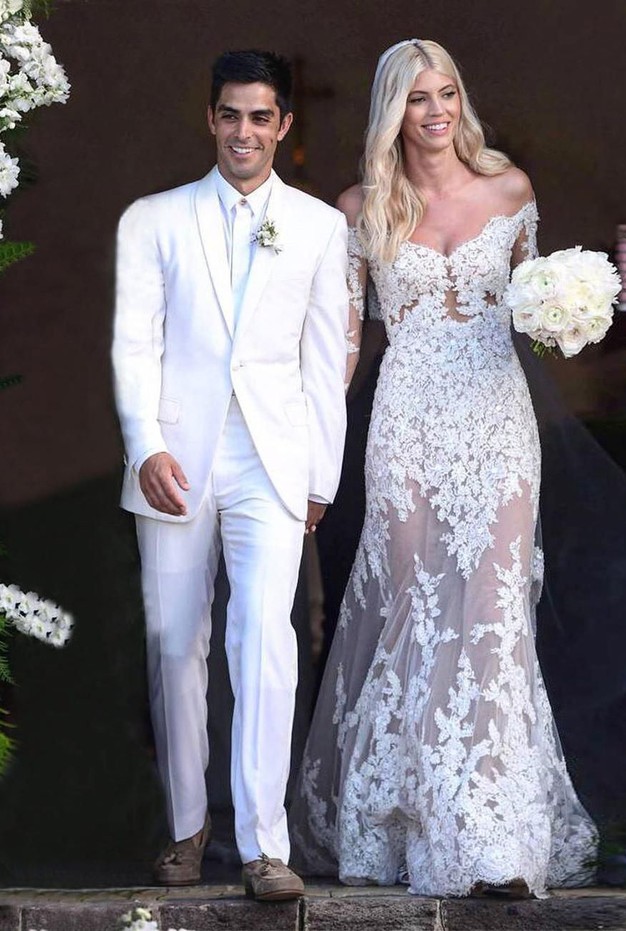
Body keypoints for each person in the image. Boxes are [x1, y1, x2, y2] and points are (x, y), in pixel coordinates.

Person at [290, 39, 598, 898]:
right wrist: (304, 452)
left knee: (493, 610)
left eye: (448, 93)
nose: (436, 111)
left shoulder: (511, 189)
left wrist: (568, 313)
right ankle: (403, 819)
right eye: (418, 97)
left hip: (498, 419)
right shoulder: (361, 207)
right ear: (393, 110)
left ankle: (491, 835)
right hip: (406, 423)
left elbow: (535, 306)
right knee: (414, 609)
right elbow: (342, 348)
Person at [112, 49, 349, 900]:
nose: (243, 131)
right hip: (175, 457)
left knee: (264, 640)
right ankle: (185, 826)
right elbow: (134, 343)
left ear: (283, 125)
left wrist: (319, 476)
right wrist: (146, 445)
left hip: (273, 460)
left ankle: (263, 846)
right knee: (176, 642)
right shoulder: (152, 219)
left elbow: (325, 359)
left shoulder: (321, 226)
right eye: (230, 115)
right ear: (209, 119)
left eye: (260, 116)